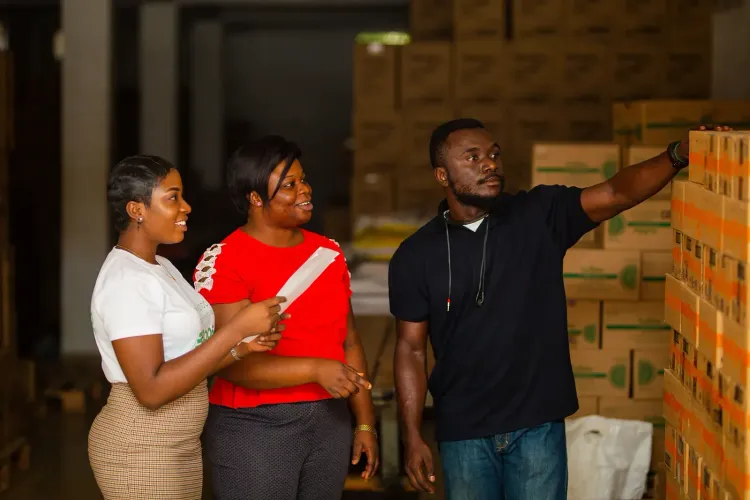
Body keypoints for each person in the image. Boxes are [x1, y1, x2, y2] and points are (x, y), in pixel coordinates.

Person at [389, 119, 729, 499]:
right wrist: (413, 435)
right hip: (463, 433)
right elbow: (410, 349)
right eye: (472, 157)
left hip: (537, 425)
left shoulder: (539, 214)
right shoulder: (415, 255)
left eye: (494, 154)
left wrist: (676, 155)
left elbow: (617, 193)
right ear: (442, 174)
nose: (489, 164)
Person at [88, 155, 287, 500]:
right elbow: (151, 391)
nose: (186, 207)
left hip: (177, 443)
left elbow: (185, 360)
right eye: (172, 197)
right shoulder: (127, 281)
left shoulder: (159, 265)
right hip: (142, 446)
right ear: (137, 210)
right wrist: (236, 329)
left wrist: (239, 349)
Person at [194, 135, 380, 500]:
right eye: (289, 185)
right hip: (254, 427)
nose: (305, 190)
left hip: (329, 422)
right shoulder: (225, 262)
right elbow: (228, 364)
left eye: (304, 179)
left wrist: (364, 422)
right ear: (255, 198)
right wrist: (315, 369)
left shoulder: (328, 254)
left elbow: (350, 342)